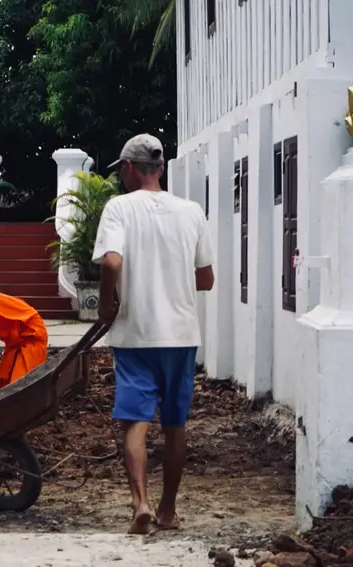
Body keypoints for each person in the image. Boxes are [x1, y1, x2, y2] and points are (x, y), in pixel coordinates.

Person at [93, 133, 215, 535]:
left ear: (129, 168)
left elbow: (111, 261)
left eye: (121, 171)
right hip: (181, 334)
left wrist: (107, 302)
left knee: (136, 423)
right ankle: (167, 510)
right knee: (175, 424)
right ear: (160, 169)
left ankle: (140, 503)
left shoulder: (119, 208)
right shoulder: (192, 211)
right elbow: (206, 279)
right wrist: (170, 279)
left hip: (135, 335)